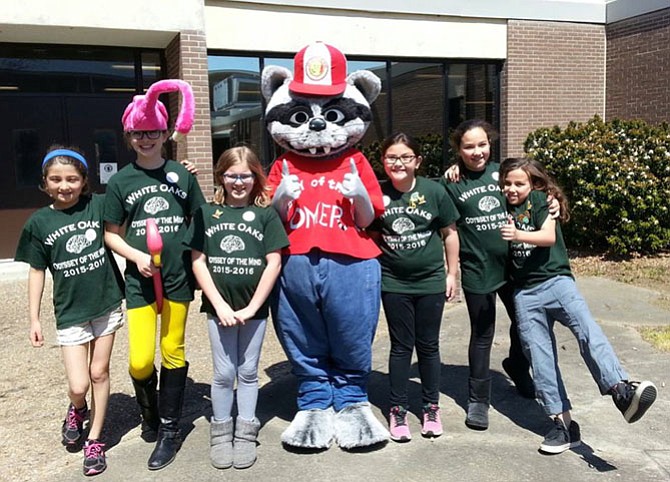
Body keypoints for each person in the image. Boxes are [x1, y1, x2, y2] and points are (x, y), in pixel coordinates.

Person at [498, 156, 657, 454]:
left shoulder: (541, 201)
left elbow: (546, 236)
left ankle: (620, 390)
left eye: (518, 182)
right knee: (540, 357)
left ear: (533, 183)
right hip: (525, 294)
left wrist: (519, 234)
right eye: (506, 183)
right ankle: (563, 424)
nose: (511, 188)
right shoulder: (500, 206)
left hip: (557, 283)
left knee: (587, 331)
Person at [103, 79, 206, 470]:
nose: (146, 138)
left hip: (177, 279)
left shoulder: (182, 175)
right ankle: (148, 411)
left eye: (152, 131)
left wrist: (200, 267)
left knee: (173, 351)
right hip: (140, 282)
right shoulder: (120, 182)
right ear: (129, 136)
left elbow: (199, 219)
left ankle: (169, 430)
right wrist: (136, 255)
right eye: (138, 132)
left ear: (165, 132)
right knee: (141, 362)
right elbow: (112, 235)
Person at [15, 147, 125, 476]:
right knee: (79, 385)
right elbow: (37, 271)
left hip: (105, 304)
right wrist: (34, 318)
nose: (65, 185)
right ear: (45, 183)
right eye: (57, 179)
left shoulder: (98, 205)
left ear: (84, 181)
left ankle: (94, 439)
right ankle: (77, 409)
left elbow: (130, 196)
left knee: (98, 374)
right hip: (70, 312)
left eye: (72, 179)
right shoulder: (39, 223)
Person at [440, 119, 548, 431]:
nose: (477, 152)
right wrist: (453, 270)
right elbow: (446, 225)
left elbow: (536, 191)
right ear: (459, 150)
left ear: (491, 143)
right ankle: (477, 399)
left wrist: (551, 200)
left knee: (525, 323)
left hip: (515, 265)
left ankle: (516, 366)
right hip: (478, 269)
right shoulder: (452, 182)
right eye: (469, 147)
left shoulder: (504, 173)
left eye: (482, 144)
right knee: (483, 333)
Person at [186, 146, 289, 469]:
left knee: (247, 371)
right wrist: (218, 304)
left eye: (246, 175)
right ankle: (221, 432)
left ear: (256, 177)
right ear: (221, 176)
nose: (239, 182)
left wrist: (253, 306)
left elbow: (274, 262)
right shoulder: (206, 213)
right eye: (232, 175)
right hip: (219, 310)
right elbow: (197, 260)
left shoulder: (265, 215)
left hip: (253, 311)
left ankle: (245, 431)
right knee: (223, 373)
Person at [369, 133, 459, 442]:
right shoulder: (376, 195)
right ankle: (397, 409)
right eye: (392, 157)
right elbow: (368, 234)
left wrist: (451, 274)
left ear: (417, 161)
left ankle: (431, 407)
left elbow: (449, 233)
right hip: (393, 282)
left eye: (406, 157)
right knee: (400, 346)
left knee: (429, 346)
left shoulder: (434, 191)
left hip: (431, 281)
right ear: (383, 162)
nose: (399, 163)